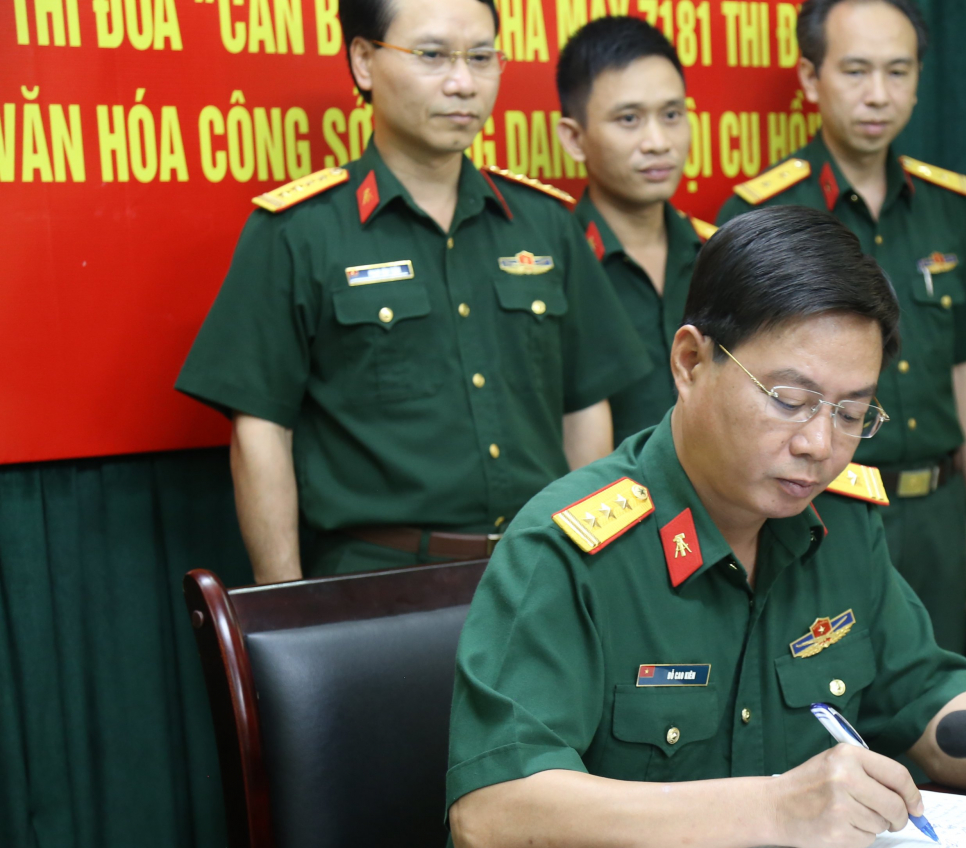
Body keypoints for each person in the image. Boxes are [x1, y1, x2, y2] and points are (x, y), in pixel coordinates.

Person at [444, 207, 966, 848]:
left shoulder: (840, 521)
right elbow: (492, 818)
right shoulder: (569, 548)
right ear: (690, 361)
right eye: (788, 399)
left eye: (852, 412)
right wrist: (775, 808)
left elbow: (927, 701)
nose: (819, 444)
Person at [176, 0, 649, 582]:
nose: (463, 82)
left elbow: (584, 408)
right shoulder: (299, 231)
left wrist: (589, 566)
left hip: (536, 570)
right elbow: (261, 431)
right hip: (378, 581)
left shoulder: (545, 223)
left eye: (481, 57)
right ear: (364, 61)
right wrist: (285, 602)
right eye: (432, 55)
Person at [715, 0, 966, 654]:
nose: (878, 94)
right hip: (816, 507)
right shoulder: (763, 212)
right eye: (855, 71)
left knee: (934, 689)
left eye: (897, 71)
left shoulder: (947, 206)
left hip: (937, 507)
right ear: (811, 78)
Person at [555, 17, 717, 442]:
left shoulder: (720, 255)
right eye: (629, 119)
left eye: (672, 115)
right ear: (574, 139)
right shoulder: (556, 264)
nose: (658, 142)